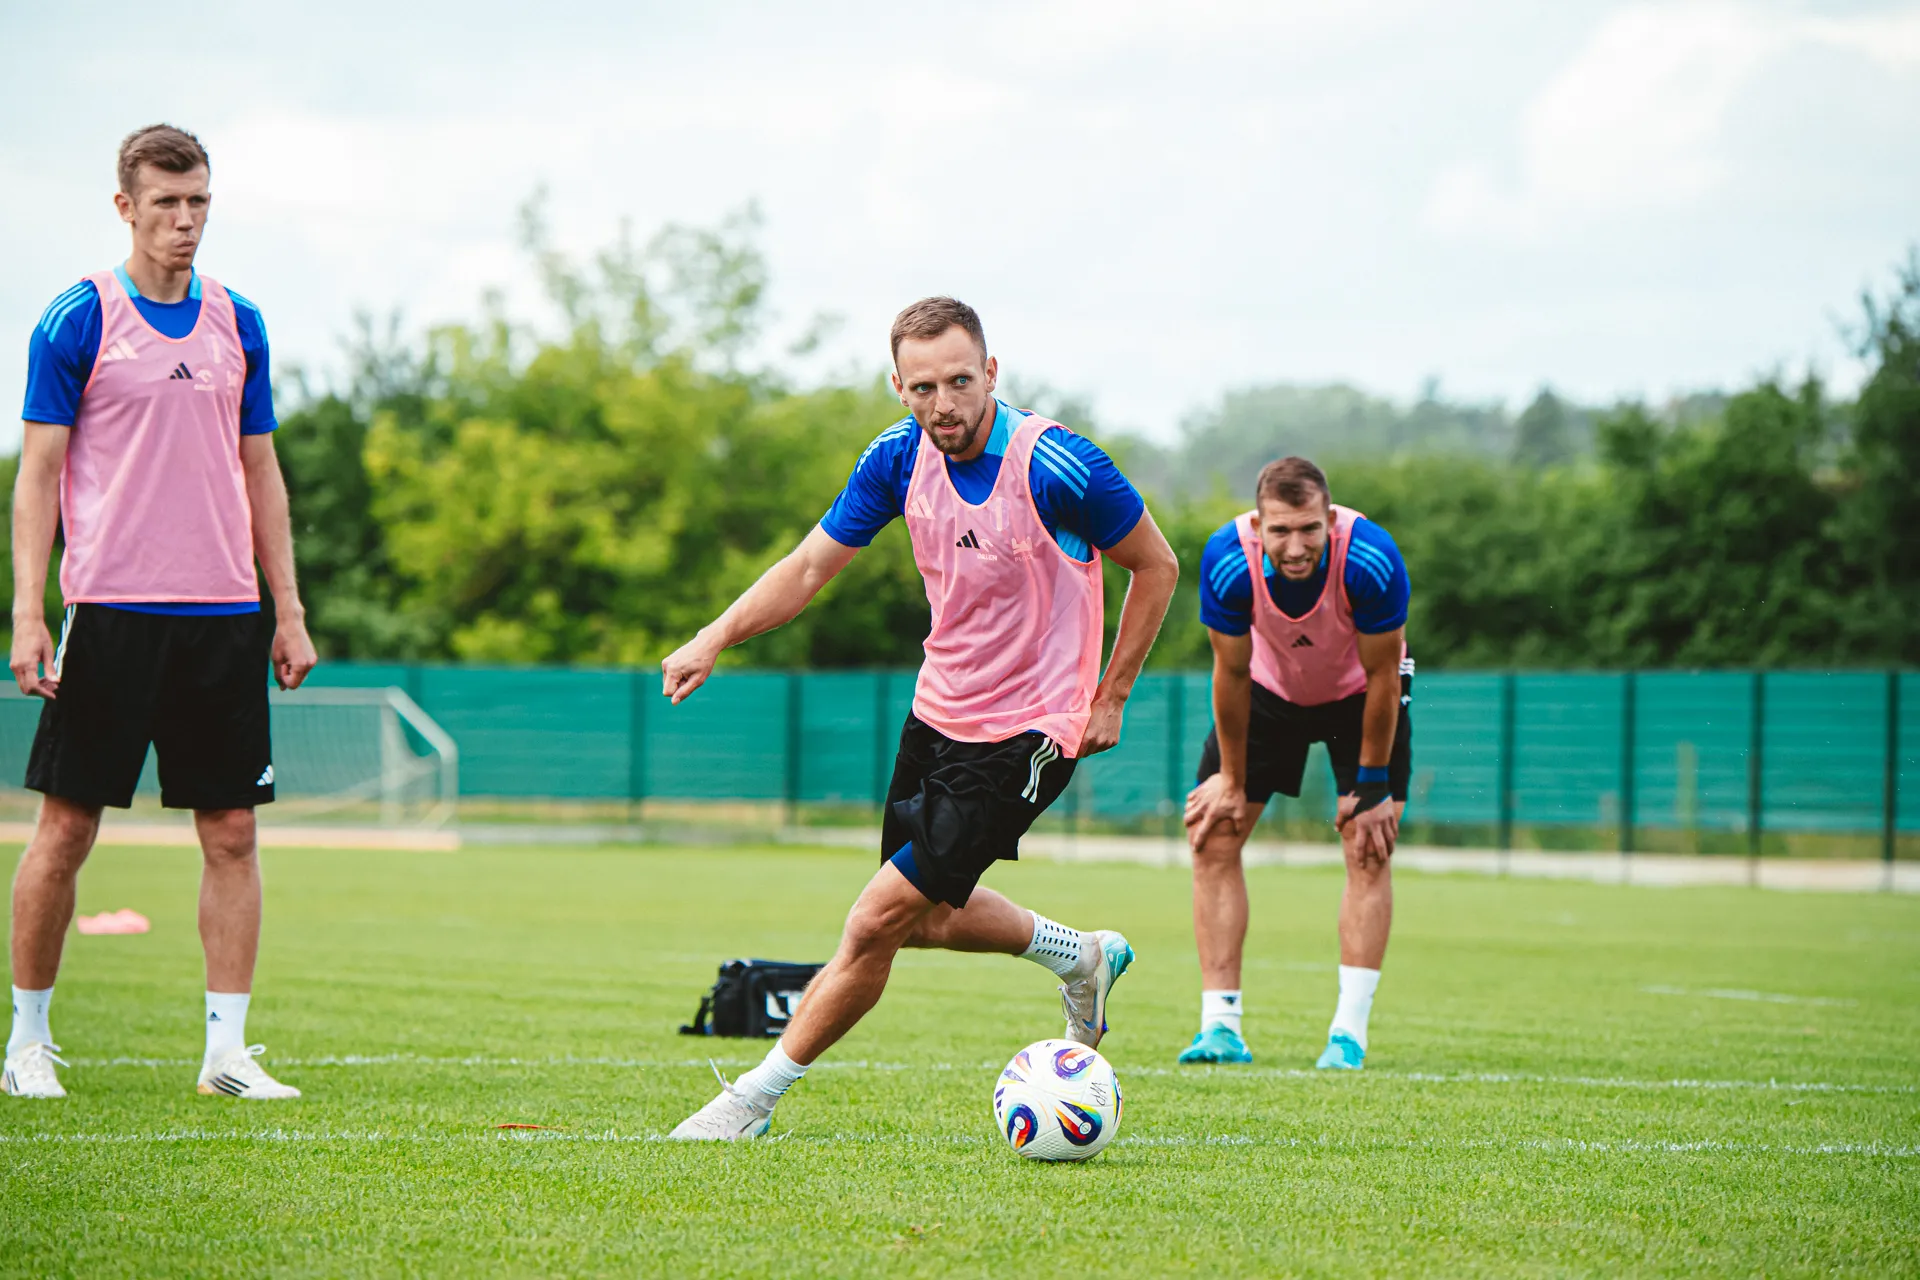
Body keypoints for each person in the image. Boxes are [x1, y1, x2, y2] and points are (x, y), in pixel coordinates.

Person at [661, 297, 1178, 1140]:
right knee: (925, 918)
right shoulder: (896, 458)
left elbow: (1155, 565)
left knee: (874, 920)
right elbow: (807, 569)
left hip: (1031, 728)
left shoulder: (1060, 465)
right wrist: (714, 636)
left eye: (961, 381)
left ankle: (750, 1101)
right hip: (938, 715)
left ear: (992, 373)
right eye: (925, 387)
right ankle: (1081, 955)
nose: (945, 403)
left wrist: (1110, 695)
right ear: (898, 387)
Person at [4, 125, 317, 1101]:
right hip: (112, 612)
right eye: (168, 202)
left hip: (223, 614)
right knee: (66, 830)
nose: (186, 221)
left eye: (199, 202)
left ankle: (227, 1054)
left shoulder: (240, 321)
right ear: (126, 207)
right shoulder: (77, 319)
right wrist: (28, 610)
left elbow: (260, 468)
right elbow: (38, 474)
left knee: (232, 834)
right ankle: (27, 1040)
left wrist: (287, 607)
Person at [1180, 457, 1411, 1070]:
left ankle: (1348, 1036)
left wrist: (1372, 784)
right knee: (1214, 834)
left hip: (1360, 696)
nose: (1296, 545)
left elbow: (1385, 677)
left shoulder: (1370, 558)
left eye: (1309, 528)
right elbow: (1230, 672)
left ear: (1329, 520)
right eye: (1280, 530)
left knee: (1368, 844)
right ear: (1259, 527)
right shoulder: (1228, 560)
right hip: (1269, 691)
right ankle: (1220, 1028)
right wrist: (1231, 780)